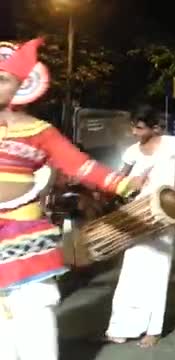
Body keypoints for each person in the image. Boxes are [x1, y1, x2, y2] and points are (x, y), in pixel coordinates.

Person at [0, 38, 144, 360]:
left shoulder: (39, 130)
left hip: (23, 236)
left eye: (2, 78)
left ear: (21, 86)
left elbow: (80, 165)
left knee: (34, 316)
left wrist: (121, 184)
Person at [105, 105, 175, 348]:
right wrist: (130, 182)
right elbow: (119, 179)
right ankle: (121, 327)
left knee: (157, 271)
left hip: (162, 214)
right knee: (131, 271)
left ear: (154, 127)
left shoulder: (172, 143)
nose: (135, 132)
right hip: (137, 215)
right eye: (134, 127)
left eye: (139, 127)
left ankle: (153, 330)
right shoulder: (131, 151)